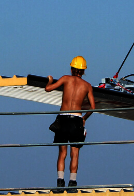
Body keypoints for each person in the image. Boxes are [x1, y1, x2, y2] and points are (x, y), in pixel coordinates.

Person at [46, 56, 96, 191]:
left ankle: (60, 184)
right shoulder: (87, 86)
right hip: (77, 120)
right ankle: (72, 184)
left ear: (72, 68)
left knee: (62, 153)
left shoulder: (65, 78)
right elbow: (93, 107)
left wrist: (50, 81)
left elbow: (48, 89)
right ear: (83, 71)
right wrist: (84, 118)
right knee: (75, 154)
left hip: (63, 119)